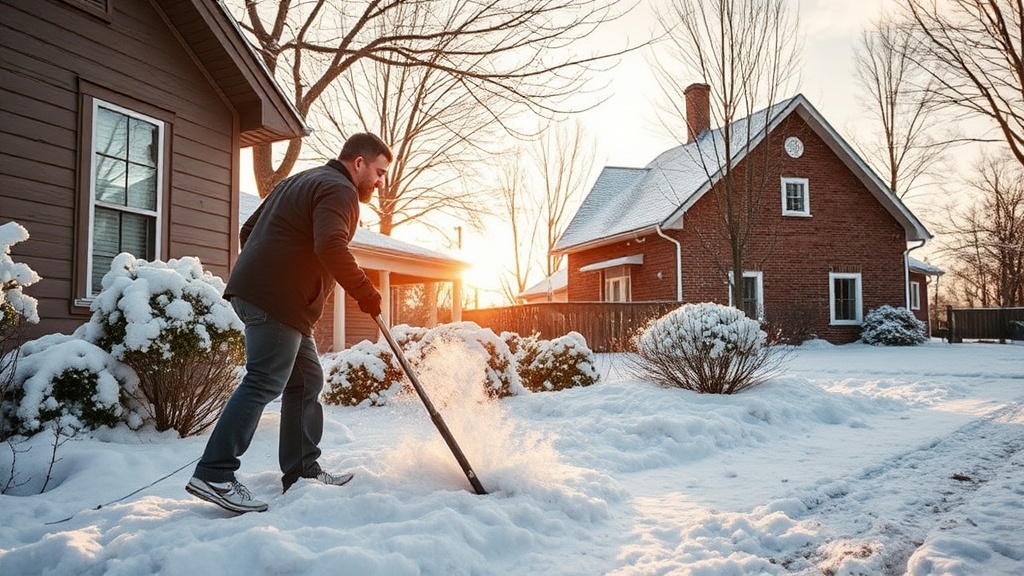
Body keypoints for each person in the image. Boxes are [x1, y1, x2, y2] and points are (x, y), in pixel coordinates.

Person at [186, 133, 391, 514]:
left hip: (271, 298)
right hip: (276, 300)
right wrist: (366, 291)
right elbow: (331, 245)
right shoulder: (339, 189)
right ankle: (215, 472)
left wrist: (277, 270)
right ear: (358, 163)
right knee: (264, 380)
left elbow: (249, 231)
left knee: (306, 379)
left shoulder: (300, 180)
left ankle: (301, 471)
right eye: (378, 173)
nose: (380, 183)